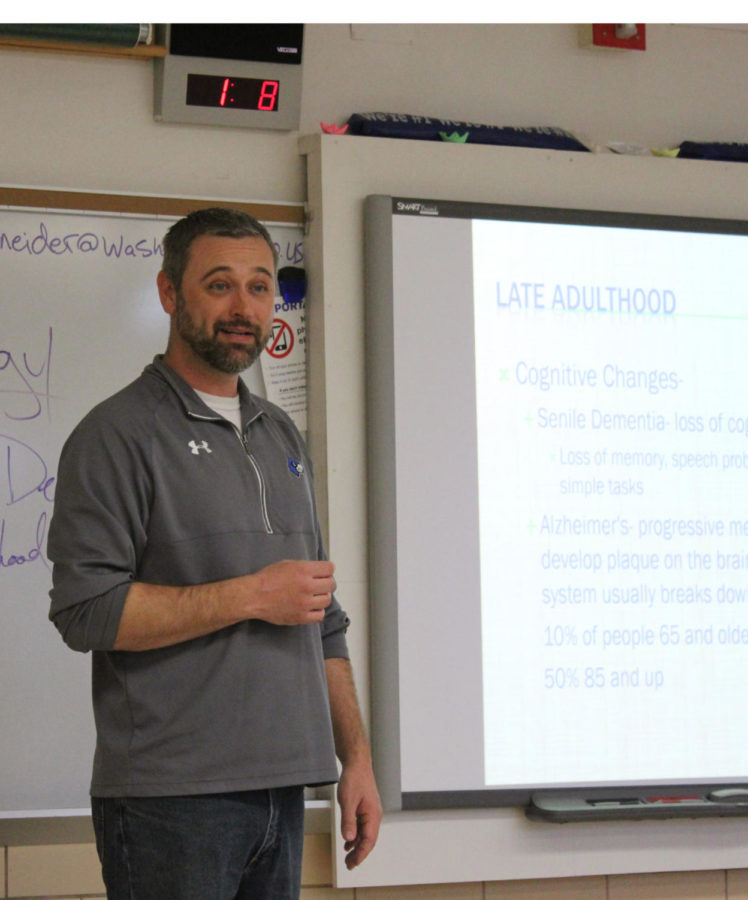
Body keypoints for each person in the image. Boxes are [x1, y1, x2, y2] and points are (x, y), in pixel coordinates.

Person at [48, 207, 381, 899]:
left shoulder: (279, 433)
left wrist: (357, 759)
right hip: (169, 802)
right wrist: (253, 595)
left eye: (259, 287)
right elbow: (85, 611)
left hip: (284, 791)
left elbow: (324, 617)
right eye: (219, 284)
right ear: (171, 294)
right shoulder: (116, 435)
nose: (243, 307)